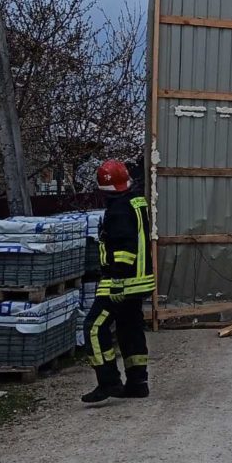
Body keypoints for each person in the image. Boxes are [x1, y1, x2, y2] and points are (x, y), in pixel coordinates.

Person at [81, 158, 155, 404]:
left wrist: (115, 280)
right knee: (129, 328)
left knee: (93, 327)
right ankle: (138, 383)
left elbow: (123, 250)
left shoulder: (119, 209)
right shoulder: (136, 202)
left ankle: (108, 381)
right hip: (140, 281)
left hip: (122, 281)